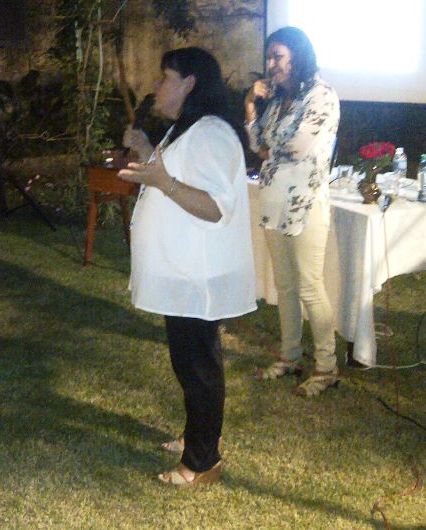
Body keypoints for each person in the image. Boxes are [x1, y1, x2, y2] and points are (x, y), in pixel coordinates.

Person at [119, 47, 256, 487]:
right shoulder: (189, 128)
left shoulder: (211, 133)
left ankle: (202, 462)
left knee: (198, 367)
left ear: (189, 83)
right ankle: (198, 434)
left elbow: (215, 206)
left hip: (197, 271)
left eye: (165, 77)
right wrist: (146, 150)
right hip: (183, 268)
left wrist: (164, 182)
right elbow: (176, 175)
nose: (157, 85)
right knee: (191, 363)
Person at [244, 27, 340, 397]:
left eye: (278, 57)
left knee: (310, 286)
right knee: (284, 285)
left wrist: (268, 148)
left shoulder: (321, 95)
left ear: (297, 56)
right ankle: (290, 356)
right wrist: (251, 107)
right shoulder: (280, 99)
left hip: (305, 203)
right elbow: (257, 143)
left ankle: (327, 367)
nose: (271, 65)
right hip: (274, 200)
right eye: (269, 57)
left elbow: (297, 147)